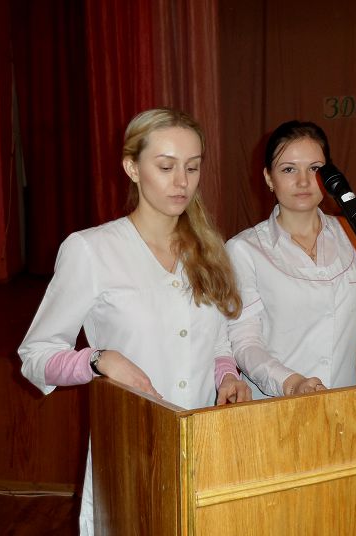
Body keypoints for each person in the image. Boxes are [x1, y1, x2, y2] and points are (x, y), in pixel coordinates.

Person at [18, 108, 251, 534]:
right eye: (166, 166)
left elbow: (217, 344)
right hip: (129, 450)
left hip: (203, 446)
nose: (182, 182)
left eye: (192, 167)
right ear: (132, 168)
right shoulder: (91, 249)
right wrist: (98, 359)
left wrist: (228, 377)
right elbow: (35, 356)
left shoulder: (210, 249)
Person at [226, 120, 356, 399]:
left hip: (344, 402)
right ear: (268, 178)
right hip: (275, 405)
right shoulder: (244, 250)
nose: (303, 181)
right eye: (289, 169)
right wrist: (290, 383)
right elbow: (244, 341)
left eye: (315, 168)